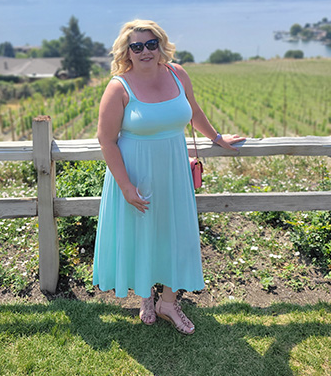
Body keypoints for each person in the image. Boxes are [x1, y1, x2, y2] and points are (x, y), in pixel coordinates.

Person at [92, 19, 245, 335]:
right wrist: (125, 186)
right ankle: (146, 297)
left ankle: (168, 302)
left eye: (151, 44)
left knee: (175, 233)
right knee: (143, 233)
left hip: (174, 173)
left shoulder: (178, 74)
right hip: (135, 173)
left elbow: (194, 111)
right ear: (127, 51)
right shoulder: (119, 86)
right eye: (137, 46)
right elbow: (105, 140)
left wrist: (217, 138)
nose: (145, 51)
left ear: (161, 45)